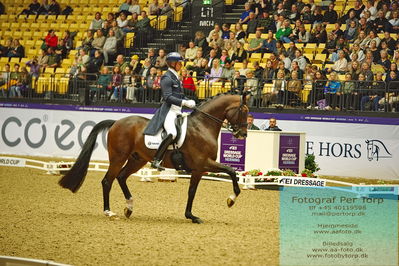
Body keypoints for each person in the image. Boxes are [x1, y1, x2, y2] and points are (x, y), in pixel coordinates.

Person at [143, 52, 196, 170]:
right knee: (173, 133)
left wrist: (189, 101)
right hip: (169, 111)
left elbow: (180, 95)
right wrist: (184, 103)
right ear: (173, 63)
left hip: (178, 111)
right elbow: (167, 97)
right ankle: (156, 159)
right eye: (179, 63)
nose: (181, 65)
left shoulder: (176, 77)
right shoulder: (166, 77)